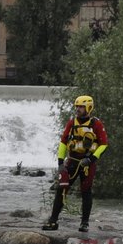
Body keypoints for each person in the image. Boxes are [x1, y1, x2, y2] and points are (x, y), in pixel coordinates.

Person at [41, 94, 110, 233]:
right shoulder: (72, 122)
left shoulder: (96, 124)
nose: (78, 109)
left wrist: (91, 159)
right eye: (77, 106)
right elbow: (63, 142)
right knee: (62, 189)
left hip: (87, 164)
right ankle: (53, 221)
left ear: (88, 108)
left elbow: (103, 145)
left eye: (81, 107)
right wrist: (60, 162)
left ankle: (84, 223)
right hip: (72, 161)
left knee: (86, 192)